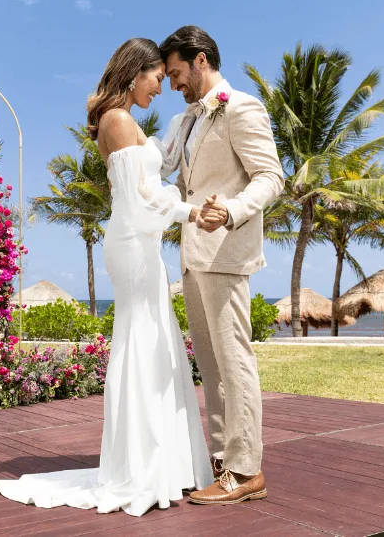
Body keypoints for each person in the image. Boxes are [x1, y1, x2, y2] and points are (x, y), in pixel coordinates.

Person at [0, 37, 214, 516]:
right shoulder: (116, 120)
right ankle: (141, 465)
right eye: (158, 78)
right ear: (137, 72)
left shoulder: (125, 119)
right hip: (134, 243)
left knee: (154, 343)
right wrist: (191, 212)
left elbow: (151, 180)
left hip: (139, 241)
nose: (161, 87)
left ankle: (161, 461)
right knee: (143, 343)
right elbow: (141, 203)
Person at [159, 25, 284, 505]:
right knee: (210, 366)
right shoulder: (189, 119)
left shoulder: (242, 107)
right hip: (193, 257)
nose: (173, 83)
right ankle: (221, 462)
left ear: (201, 60)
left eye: (175, 73)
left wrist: (231, 211)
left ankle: (246, 470)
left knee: (235, 361)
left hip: (226, 252)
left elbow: (270, 176)